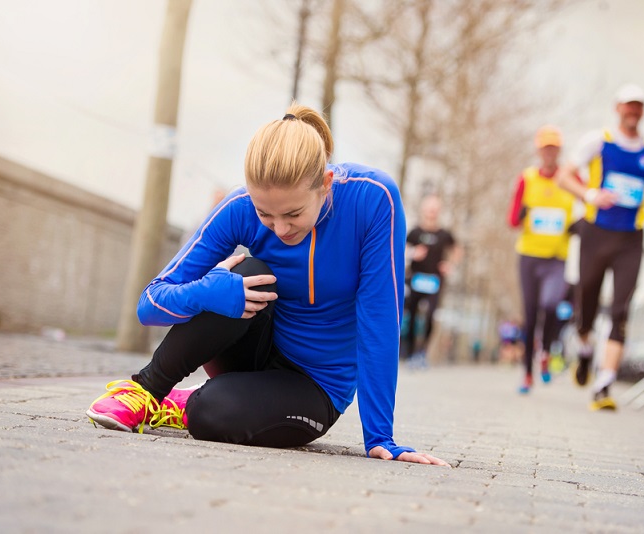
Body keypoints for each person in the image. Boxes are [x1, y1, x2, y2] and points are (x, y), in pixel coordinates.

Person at [86, 102, 448, 466]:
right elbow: (149, 304)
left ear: (325, 183)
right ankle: (144, 392)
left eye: (292, 214)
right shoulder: (239, 207)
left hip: (315, 386)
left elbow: (379, 320)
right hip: (252, 348)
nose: (279, 229)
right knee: (242, 274)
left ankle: (189, 402)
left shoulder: (372, 199)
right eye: (265, 214)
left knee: (209, 413)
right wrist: (206, 292)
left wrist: (380, 436)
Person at [557, 83, 644, 411]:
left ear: (643, 111)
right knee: (586, 308)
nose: (633, 111)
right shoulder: (599, 142)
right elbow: (565, 176)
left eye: (638, 106)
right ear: (617, 108)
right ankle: (584, 351)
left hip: (630, 238)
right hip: (596, 233)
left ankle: (604, 384)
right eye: (628, 105)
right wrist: (590, 195)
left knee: (620, 309)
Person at [507, 125, 577, 394]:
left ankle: (545, 351)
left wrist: (577, 224)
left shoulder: (571, 178)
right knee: (530, 312)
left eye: (554, 148)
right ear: (539, 150)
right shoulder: (526, 178)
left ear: (559, 151)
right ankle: (527, 374)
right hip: (529, 256)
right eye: (545, 147)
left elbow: (588, 202)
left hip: (557, 258)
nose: (549, 152)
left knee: (550, 304)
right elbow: (512, 220)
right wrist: (523, 214)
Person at [402, 194, 460, 367]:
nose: (432, 213)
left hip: (434, 281)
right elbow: (402, 249)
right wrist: (413, 254)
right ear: (423, 210)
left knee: (429, 315)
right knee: (411, 316)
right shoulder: (414, 232)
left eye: (435, 210)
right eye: (429, 209)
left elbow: (457, 249)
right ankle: (411, 352)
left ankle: (422, 352)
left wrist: (450, 265)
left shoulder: (444, 234)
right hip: (415, 279)